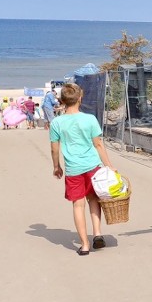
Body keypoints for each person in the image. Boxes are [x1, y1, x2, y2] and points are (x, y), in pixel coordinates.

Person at [50, 83, 114, 256]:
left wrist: (56, 166)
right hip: (93, 166)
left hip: (73, 169)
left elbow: (54, 148)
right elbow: (98, 144)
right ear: (80, 98)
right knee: (93, 200)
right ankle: (98, 233)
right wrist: (109, 166)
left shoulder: (57, 122)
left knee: (78, 206)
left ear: (62, 100)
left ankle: (85, 244)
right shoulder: (90, 119)